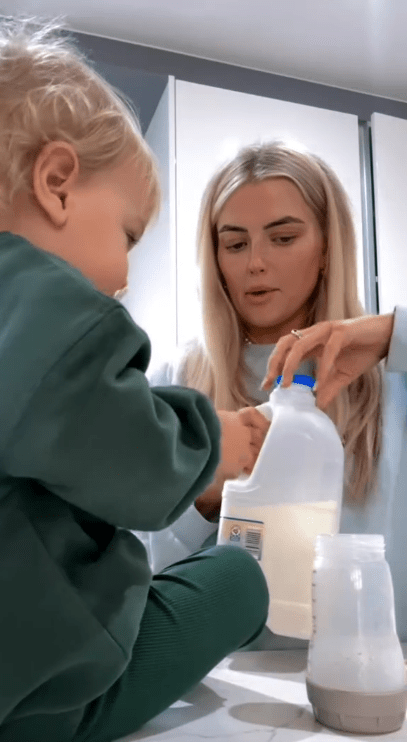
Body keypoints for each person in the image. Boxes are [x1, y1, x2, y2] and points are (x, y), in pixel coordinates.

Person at [0, 18, 271, 742]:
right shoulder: (54, 309)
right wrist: (213, 445)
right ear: (58, 183)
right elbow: (137, 472)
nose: (126, 274)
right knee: (239, 576)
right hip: (35, 693)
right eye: (128, 234)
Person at [139, 142, 407, 645]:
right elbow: (142, 590)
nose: (256, 263)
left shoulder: (392, 379)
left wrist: (392, 333)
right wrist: (205, 502)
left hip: (377, 681)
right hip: (225, 691)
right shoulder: (171, 383)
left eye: (283, 238)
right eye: (235, 244)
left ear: (327, 246)